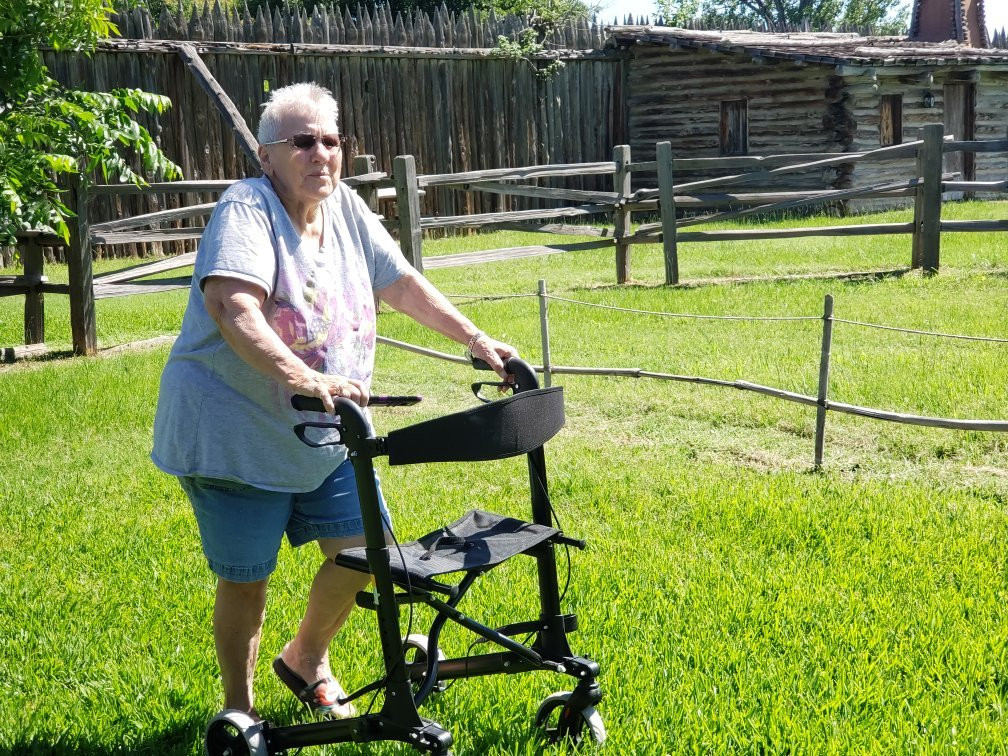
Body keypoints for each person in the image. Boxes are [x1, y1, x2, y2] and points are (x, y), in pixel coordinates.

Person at [151, 82, 517, 719]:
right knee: (246, 579)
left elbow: (400, 282)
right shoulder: (247, 209)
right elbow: (232, 309)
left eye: (330, 140)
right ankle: (241, 713)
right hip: (235, 432)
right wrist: (306, 378)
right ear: (267, 155)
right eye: (302, 141)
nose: (320, 153)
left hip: (328, 433)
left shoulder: (345, 207)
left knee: (366, 556)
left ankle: (305, 656)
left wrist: (477, 339)